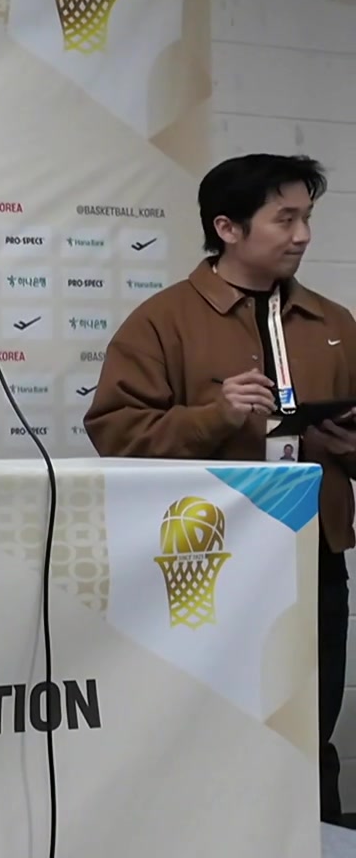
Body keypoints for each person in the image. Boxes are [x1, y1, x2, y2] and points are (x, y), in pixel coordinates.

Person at [84, 153, 356, 822]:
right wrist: (216, 416)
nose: (302, 235)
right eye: (284, 219)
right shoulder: (163, 320)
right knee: (208, 733)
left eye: (307, 218)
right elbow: (114, 431)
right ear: (227, 228)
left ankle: (315, 857)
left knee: (309, 729)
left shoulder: (333, 324)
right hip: (204, 564)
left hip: (313, 556)